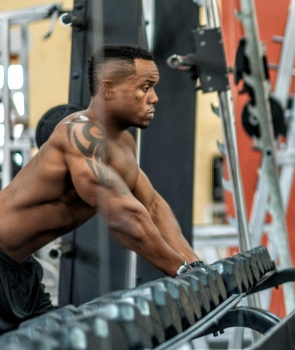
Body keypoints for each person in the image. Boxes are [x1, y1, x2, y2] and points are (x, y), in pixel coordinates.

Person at [0, 45, 201, 333]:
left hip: (19, 270)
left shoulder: (123, 145)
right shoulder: (78, 132)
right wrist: (180, 271)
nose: (154, 98)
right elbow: (124, 216)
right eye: (145, 88)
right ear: (109, 89)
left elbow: (153, 207)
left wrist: (197, 268)